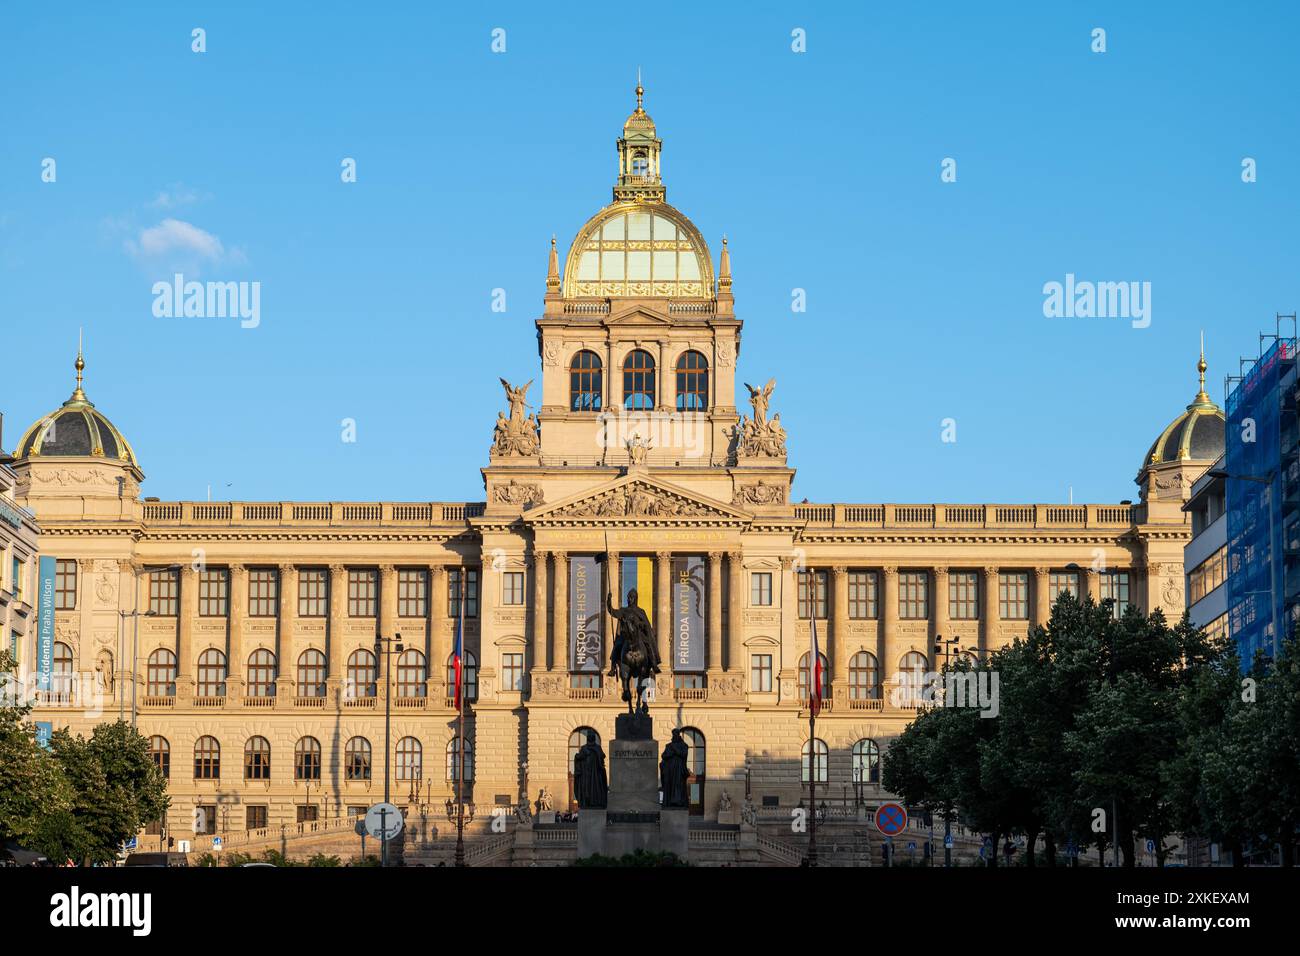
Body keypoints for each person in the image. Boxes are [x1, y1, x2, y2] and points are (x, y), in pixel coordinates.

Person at [606, 588, 661, 676]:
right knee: (616, 647)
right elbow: (612, 612)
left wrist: (640, 624)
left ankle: (654, 665)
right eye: (628, 597)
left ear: (635, 599)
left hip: (639, 635)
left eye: (630, 597)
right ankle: (612, 669)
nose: (628, 599)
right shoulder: (623, 610)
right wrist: (609, 601)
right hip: (625, 636)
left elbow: (646, 624)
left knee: (648, 645)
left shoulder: (640, 611)